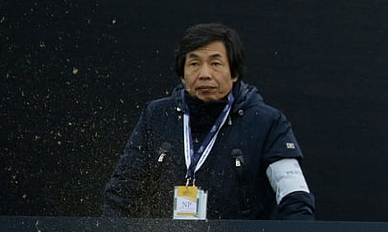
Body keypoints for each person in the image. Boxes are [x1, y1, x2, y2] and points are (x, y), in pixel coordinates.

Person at [103, 22, 314, 220]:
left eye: (215, 64)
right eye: (194, 64)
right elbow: (122, 192)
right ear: (182, 75)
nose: (205, 74)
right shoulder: (157, 115)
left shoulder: (267, 123)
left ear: (234, 73)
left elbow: (294, 197)